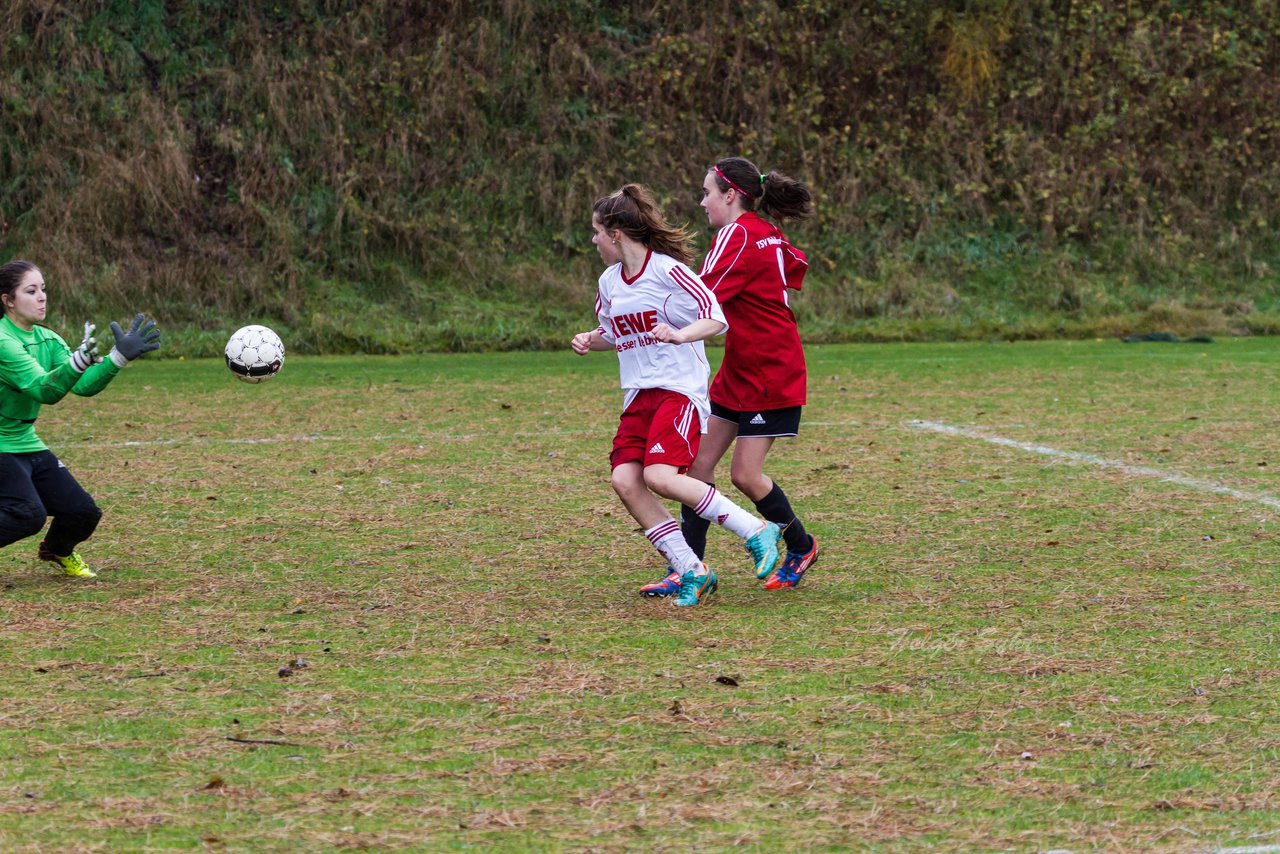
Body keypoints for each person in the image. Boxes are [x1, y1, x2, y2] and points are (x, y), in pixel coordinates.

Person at [571, 184, 782, 606]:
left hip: (678, 391)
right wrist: (590, 339)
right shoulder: (609, 283)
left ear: (615, 233)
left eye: (596, 232)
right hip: (638, 396)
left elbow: (715, 319)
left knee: (660, 477)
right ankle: (692, 569)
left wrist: (679, 334)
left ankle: (757, 530)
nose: (592, 240)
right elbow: (616, 333)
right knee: (625, 480)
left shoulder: (668, 271)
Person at [654, 156, 819, 595]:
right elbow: (793, 268)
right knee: (696, 467)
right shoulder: (765, 232)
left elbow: (700, 296)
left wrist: (647, 309)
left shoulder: (739, 233)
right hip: (741, 368)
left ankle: (800, 546)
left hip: (771, 371)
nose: (702, 200)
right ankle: (690, 569)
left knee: (745, 475)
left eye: (707, 192)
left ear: (730, 195)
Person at [0, 260, 161, 579]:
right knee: (27, 514)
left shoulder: (47, 339)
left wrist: (118, 357)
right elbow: (43, 390)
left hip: (25, 441)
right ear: (8, 300)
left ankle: (57, 550)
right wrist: (74, 364)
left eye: (43, 289)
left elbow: (84, 385)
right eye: (31, 291)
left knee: (83, 513)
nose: (42, 296)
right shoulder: (3, 342)